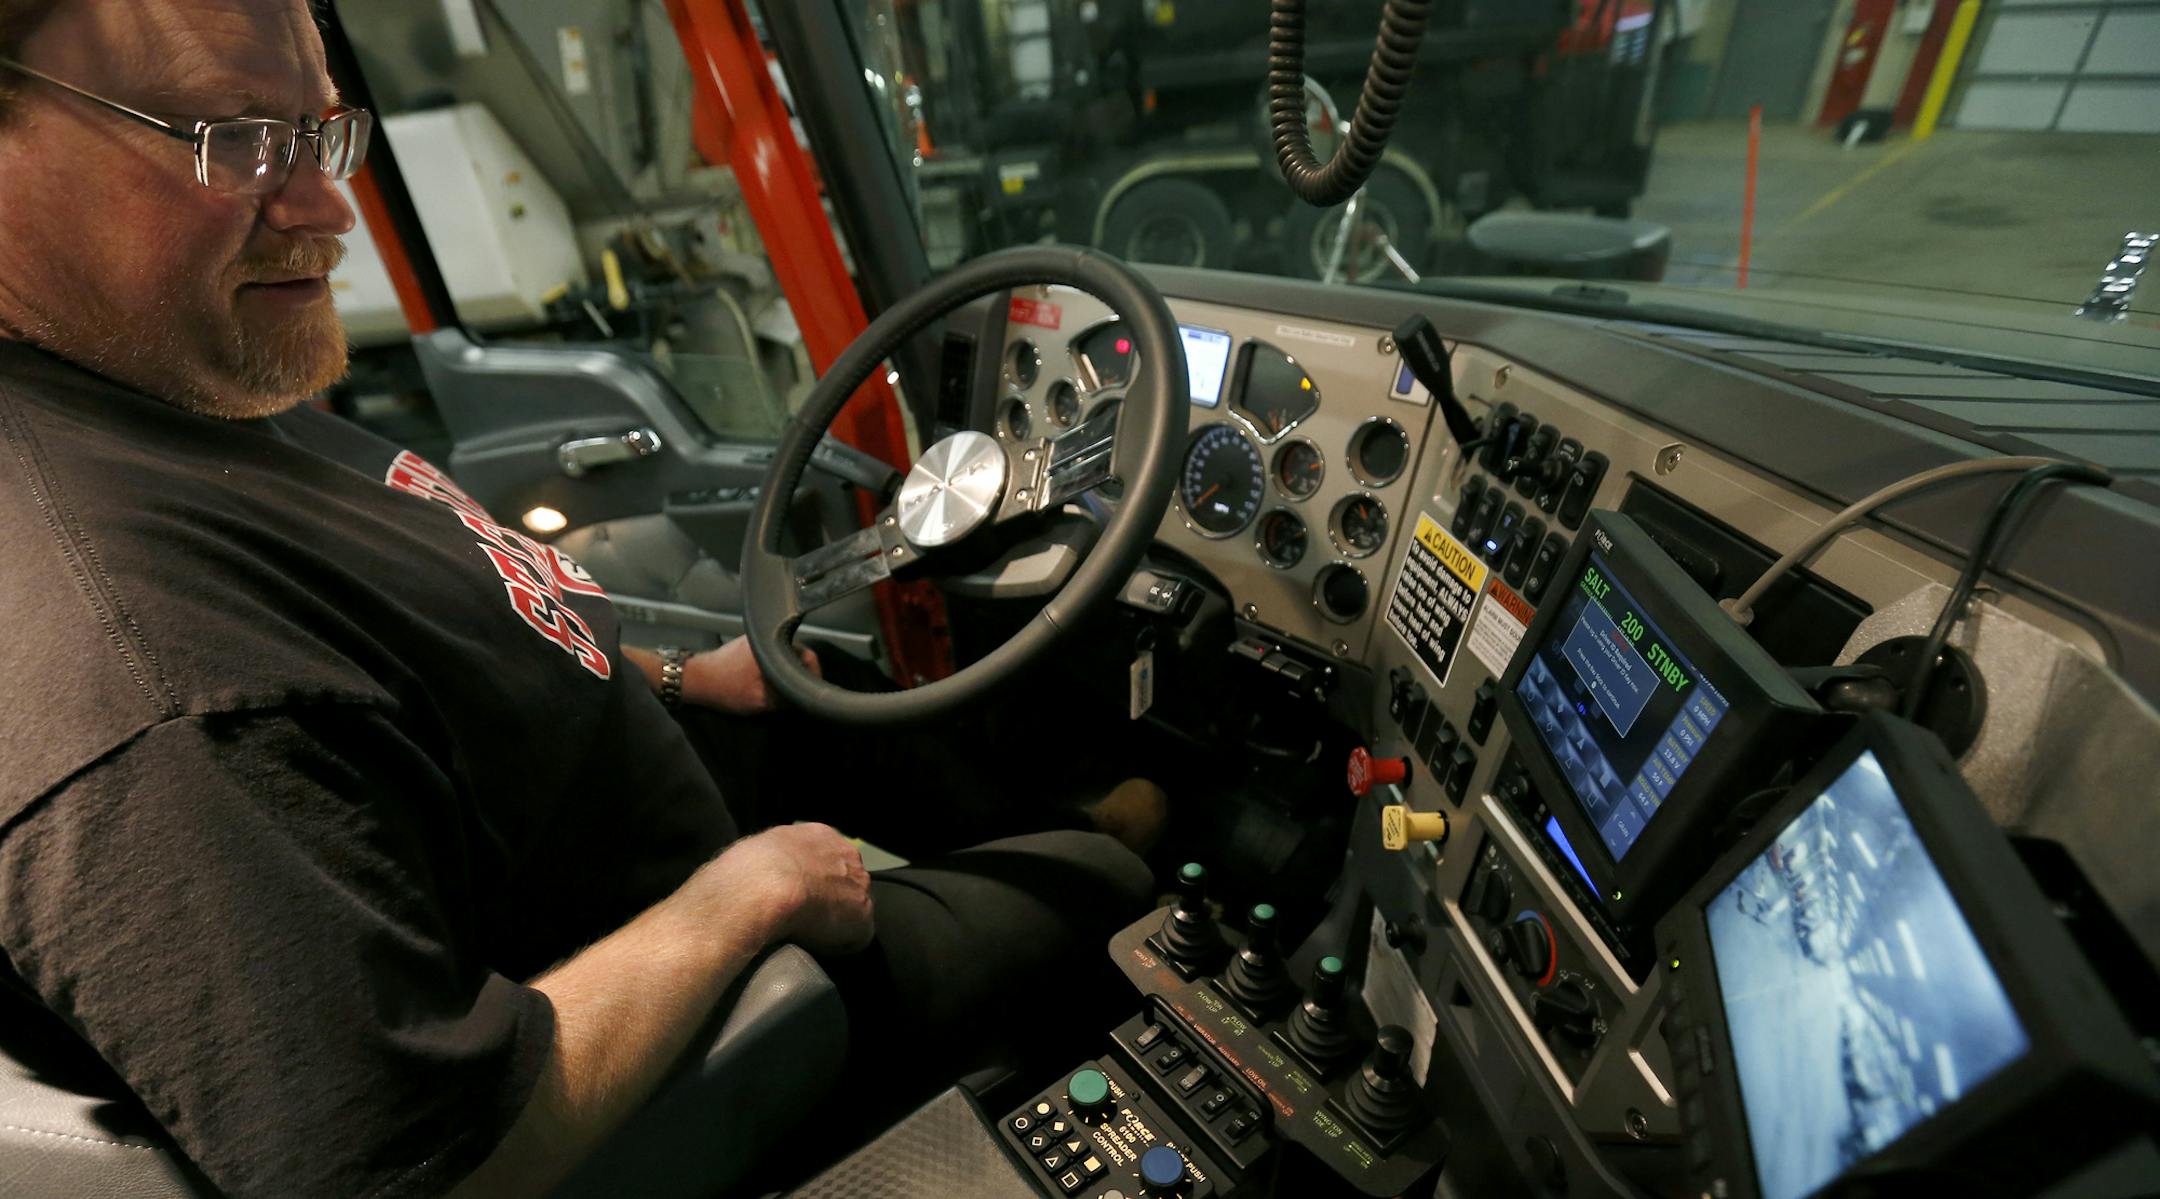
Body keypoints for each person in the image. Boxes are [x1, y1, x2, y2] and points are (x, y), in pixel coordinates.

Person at [0, 2, 1158, 1195]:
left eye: (319, 134)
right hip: (703, 998)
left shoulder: (161, 375)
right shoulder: (139, 679)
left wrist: (672, 674)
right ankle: (1106, 860)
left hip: (632, 780)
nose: (328, 208)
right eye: (240, 139)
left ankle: (1061, 816)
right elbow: (422, 1163)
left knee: (835, 698)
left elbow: (410, 643)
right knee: (1113, 899)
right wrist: (740, 901)